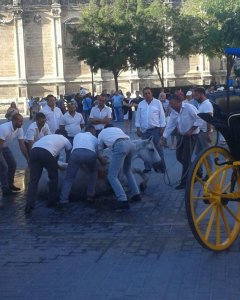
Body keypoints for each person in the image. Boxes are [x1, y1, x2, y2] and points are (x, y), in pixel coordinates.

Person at [25, 130, 72, 215]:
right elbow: (69, 152)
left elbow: (51, 159)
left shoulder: (48, 137)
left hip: (34, 151)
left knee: (33, 181)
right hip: (46, 153)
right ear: (65, 135)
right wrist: (65, 165)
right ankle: (51, 201)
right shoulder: (65, 139)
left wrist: (56, 165)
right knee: (53, 177)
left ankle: (29, 205)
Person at [163, 94, 202, 189]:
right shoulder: (173, 112)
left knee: (186, 159)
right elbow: (170, 126)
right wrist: (163, 137)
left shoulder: (189, 107)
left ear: (178, 102)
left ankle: (185, 182)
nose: (170, 105)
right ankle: (197, 171)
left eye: (172, 103)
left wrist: (191, 130)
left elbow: (200, 119)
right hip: (181, 136)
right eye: (170, 104)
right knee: (179, 157)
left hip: (191, 136)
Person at [98, 125, 141, 210]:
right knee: (127, 171)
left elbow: (100, 149)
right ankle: (136, 194)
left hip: (120, 146)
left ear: (105, 128)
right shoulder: (117, 129)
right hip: (131, 144)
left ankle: (122, 200)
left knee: (112, 176)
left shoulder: (102, 132)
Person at [58, 125, 99, 206]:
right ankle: (90, 196)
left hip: (76, 154)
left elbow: (76, 147)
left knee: (69, 178)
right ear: (93, 132)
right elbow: (97, 154)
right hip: (90, 154)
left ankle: (63, 200)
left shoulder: (78, 135)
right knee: (93, 173)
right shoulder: (94, 138)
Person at [135, 87, 166, 172]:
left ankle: (161, 167)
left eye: (149, 93)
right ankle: (148, 167)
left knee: (158, 148)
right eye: (145, 93)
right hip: (144, 131)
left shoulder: (157, 102)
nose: (147, 95)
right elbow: (138, 117)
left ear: (151, 93)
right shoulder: (141, 104)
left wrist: (161, 128)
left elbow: (162, 116)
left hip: (155, 129)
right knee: (145, 150)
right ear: (143, 95)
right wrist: (138, 128)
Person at [0, 113, 29, 196]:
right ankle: (5, 188)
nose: (22, 123)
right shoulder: (5, 128)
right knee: (3, 167)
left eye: (22, 121)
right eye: (20, 121)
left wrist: (28, 158)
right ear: (13, 121)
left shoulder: (19, 129)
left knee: (13, 164)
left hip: (4, 146)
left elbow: (22, 145)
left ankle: (10, 185)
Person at [194, 87, 214, 178]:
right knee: (198, 153)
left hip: (204, 132)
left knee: (207, 154)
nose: (195, 97)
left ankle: (209, 173)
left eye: (196, 95)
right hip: (200, 131)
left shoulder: (207, 104)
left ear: (202, 94)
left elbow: (209, 119)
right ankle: (199, 171)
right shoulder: (201, 104)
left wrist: (208, 133)